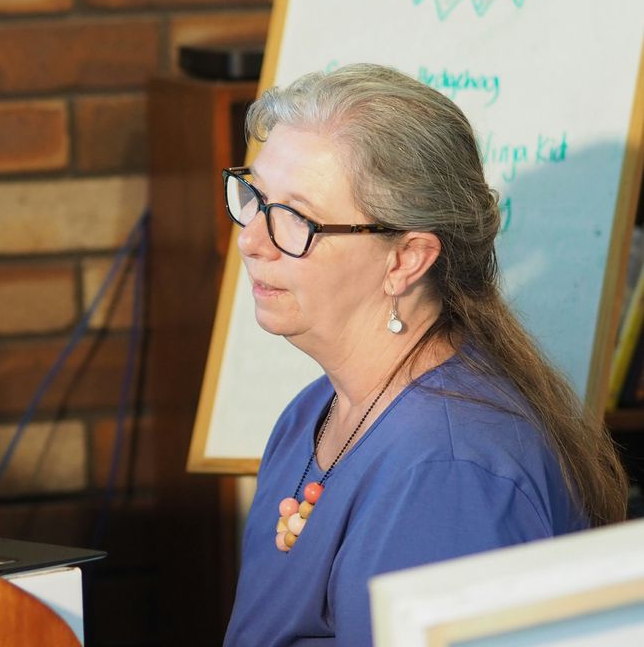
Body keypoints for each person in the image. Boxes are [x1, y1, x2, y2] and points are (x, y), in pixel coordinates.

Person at [221, 64, 627, 646]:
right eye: (256, 197)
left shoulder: (452, 473)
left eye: (295, 217)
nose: (250, 240)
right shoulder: (311, 413)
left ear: (407, 259)